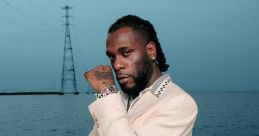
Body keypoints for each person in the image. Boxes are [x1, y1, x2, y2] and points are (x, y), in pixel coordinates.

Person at [84, 15, 198, 136]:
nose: (116, 65)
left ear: (151, 51)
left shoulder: (179, 103)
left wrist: (107, 92)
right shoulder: (118, 100)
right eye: (112, 57)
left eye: (126, 53)